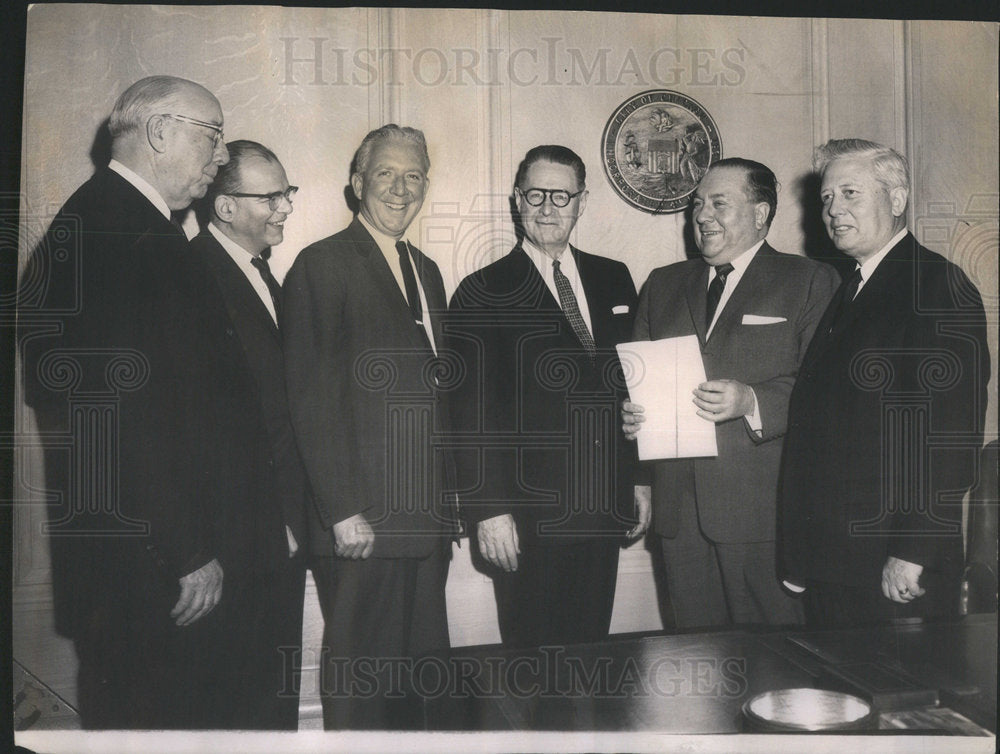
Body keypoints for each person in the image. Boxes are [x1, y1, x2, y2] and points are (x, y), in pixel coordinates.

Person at [17, 76, 261, 728]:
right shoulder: (113, 234)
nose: (219, 157)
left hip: (143, 569)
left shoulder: (115, 221)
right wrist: (185, 550)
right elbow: (111, 418)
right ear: (159, 132)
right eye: (212, 136)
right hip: (154, 574)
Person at [282, 124, 454, 729]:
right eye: (386, 174)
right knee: (362, 682)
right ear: (357, 183)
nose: (401, 189)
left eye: (414, 176)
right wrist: (341, 509)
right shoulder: (321, 264)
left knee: (419, 681)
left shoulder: (426, 269)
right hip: (363, 522)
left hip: (424, 520)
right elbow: (308, 399)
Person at [779, 139, 990, 627]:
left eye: (850, 193)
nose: (833, 210)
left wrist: (912, 551)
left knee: (896, 700)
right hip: (837, 561)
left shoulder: (938, 286)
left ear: (897, 200)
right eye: (827, 198)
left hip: (893, 566)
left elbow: (950, 436)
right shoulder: (850, 286)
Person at [623, 158, 839, 630]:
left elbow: (824, 389)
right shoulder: (662, 284)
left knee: (772, 660)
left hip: (763, 514)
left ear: (761, 214)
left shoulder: (809, 281)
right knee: (696, 658)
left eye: (719, 203)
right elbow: (637, 384)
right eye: (697, 204)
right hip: (678, 513)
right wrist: (633, 419)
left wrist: (752, 401)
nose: (701, 215)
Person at [448, 145, 649, 649]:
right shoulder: (481, 291)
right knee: (533, 669)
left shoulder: (614, 277)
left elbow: (634, 386)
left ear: (583, 202)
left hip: (603, 508)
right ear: (517, 200)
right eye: (536, 194)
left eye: (562, 196)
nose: (548, 208)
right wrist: (488, 510)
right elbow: (467, 413)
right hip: (527, 518)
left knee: (590, 656)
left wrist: (641, 480)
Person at [188, 140, 309, 729]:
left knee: (271, 697)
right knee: (238, 704)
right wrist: (274, 522)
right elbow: (209, 432)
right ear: (225, 206)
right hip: (239, 539)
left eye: (287, 192)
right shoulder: (195, 278)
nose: (285, 207)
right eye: (271, 196)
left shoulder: (262, 273)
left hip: (277, 533)